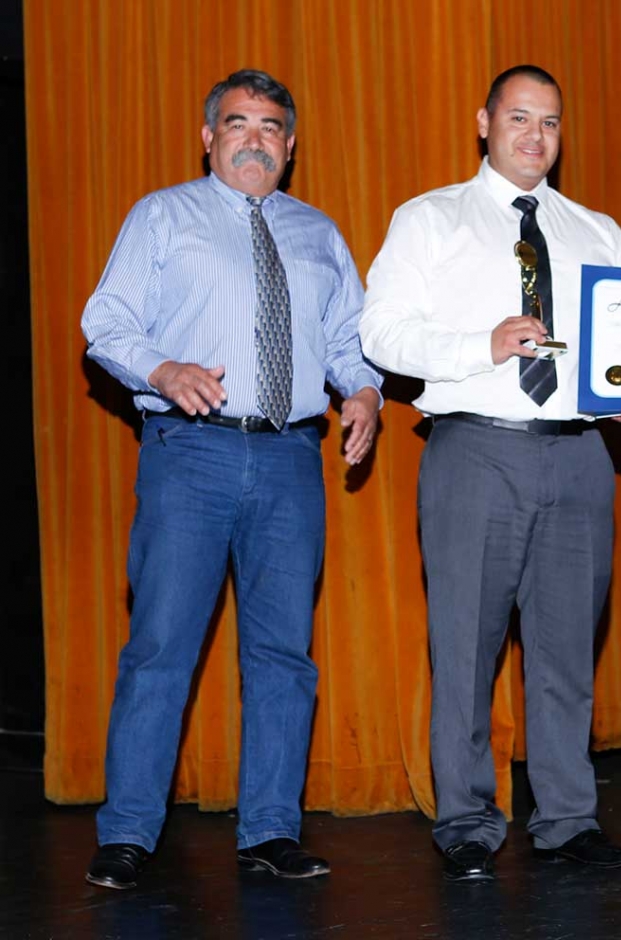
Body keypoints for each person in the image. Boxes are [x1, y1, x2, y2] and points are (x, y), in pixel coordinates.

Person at [80, 69, 382, 889]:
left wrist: (361, 391)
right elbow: (104, 320)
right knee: (161, 649)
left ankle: (270, 832)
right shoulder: (162, 215)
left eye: (272, 126)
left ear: (291, 144)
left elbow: (349, 338)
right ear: (209, 137)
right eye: (238, 123)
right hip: (192, 454)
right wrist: (163, 366)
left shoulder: (319, 231)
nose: (256, 138)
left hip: (292, 458)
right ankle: (130, 833)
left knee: (284, 655)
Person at [359, 65, 621, 883]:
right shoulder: (429, 219)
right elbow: (380, 333)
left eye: (551, 122)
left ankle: (567, 820)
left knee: (566, 652)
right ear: (484, 122)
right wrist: (478, 346)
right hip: (476, 448)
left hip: (580, 452)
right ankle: (465, 818)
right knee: (466, 645)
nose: (535, 135)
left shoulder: (599, 231)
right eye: (520, 117)